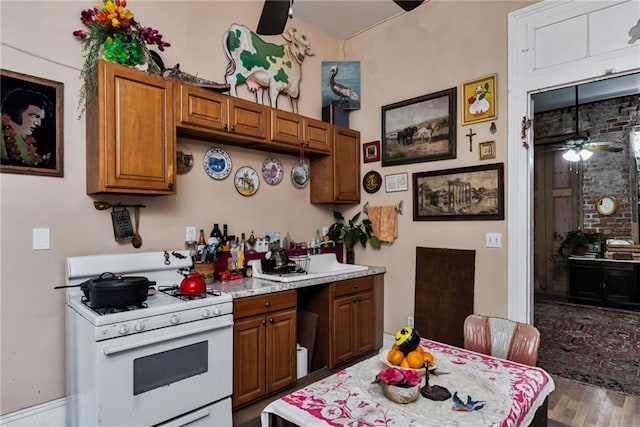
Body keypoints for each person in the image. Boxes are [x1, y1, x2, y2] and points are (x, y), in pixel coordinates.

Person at [1, 88, 53, 167]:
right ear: (16, 110)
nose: (38, 123)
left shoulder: (28, 142)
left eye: (40, 119)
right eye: (34, 116)